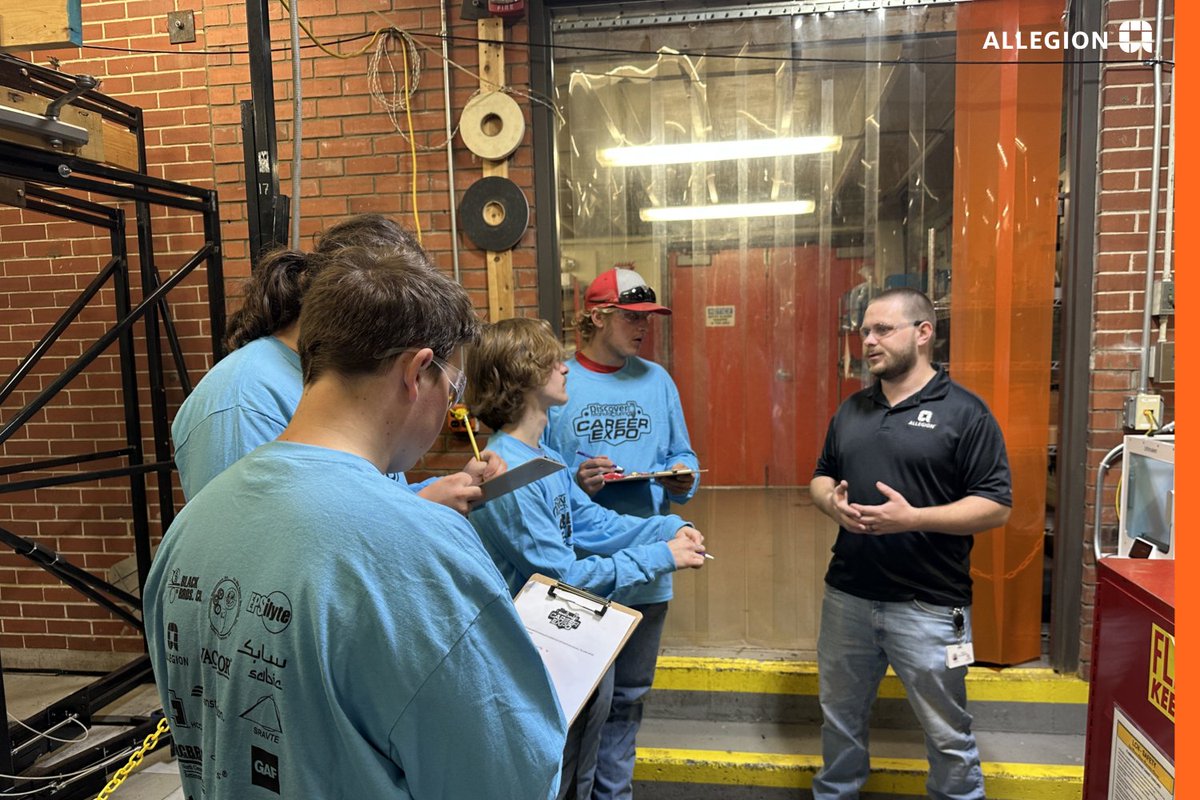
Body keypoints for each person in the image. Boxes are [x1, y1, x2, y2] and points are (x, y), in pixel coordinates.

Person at [144, 247, 567, 799]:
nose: (449, 413)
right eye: (453, 391)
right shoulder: (423, 549)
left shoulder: (191, 525)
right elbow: (511, 777)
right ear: (417, 372)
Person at [467, 317, 708, 800]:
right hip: (535, 650)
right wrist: (660, 556)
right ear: (522, 375)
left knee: (580, 765)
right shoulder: (506, 471)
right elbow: (561, 578)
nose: (564, 366)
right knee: (551, 775)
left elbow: (596, 524)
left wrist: (667, 526)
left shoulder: (545, 459)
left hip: (569, 642)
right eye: (550, 360)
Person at [808, 287, 1012, 800]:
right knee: (839, 723)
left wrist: (913, 518)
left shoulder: (966, 413)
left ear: (924, 333)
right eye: (864, 331)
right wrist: (832, 503)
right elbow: (820, 476)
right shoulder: (852, 409)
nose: (868, 341)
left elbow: (996, 505)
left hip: (931, 606)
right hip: (848, 597)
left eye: (882, 330)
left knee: (947, 736)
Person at [171, 215, 501, 509]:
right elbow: (264, 541)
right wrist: (422, 510)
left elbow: (360, 497)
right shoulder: (242, 400)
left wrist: (437, 494)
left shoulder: (349, 377)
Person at [543, 267, 700, 800]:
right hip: (583, 573)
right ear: (596, 316)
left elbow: (685, 457)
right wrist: (578, 482)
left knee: (628, 700)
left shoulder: (658, 380)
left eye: (648, 319)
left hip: (652, 565)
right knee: (577, 706)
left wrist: (682, 476)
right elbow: (537, 475)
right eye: (632, 317)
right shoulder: (556, 380)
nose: (643, 329)